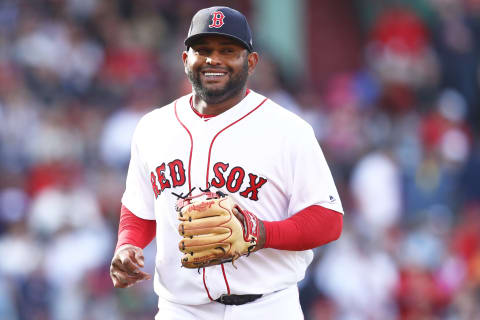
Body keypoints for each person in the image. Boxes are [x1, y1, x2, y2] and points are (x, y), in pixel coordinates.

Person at [110, 6, 344, 320]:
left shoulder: (289, 130)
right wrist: (127, 245)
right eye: (203, 50)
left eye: (228, 50)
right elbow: (139, 209)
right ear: (185, 60)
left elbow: (328, 220)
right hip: (181, 309)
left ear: (250, 62)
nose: (214, 60)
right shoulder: (153, 128)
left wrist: (262, 234)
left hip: (267, 306)